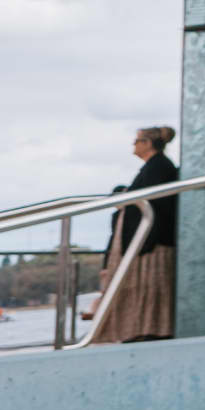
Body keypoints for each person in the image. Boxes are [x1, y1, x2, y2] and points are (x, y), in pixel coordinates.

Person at [84, 125, 180, 345]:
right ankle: (136, 329)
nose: (133, 146)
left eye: (136, 141)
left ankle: (149, 329)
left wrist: (146, 240)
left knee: (151, 287)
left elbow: (158, 205)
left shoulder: (159, 167)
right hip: (143, 242)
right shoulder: (153, 167)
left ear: (148, 144)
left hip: (151, 242)